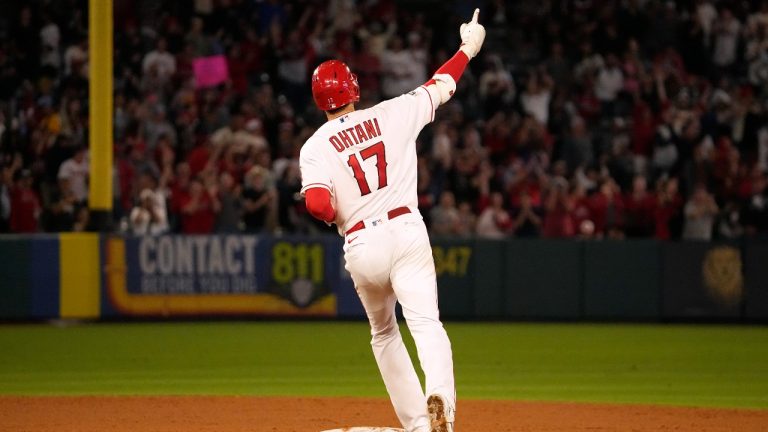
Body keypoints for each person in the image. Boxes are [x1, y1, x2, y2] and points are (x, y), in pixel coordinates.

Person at [299, 9, 485, 432]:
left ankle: (418, 423)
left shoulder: (314, 147)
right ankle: (441, 402)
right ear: (354, 90)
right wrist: (468, 47)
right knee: (425, 322)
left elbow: (317, 205)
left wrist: (333, 212)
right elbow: (442, 84)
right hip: (406, 231)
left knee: (383, 333)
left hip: (363, 245)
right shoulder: (392, 113)